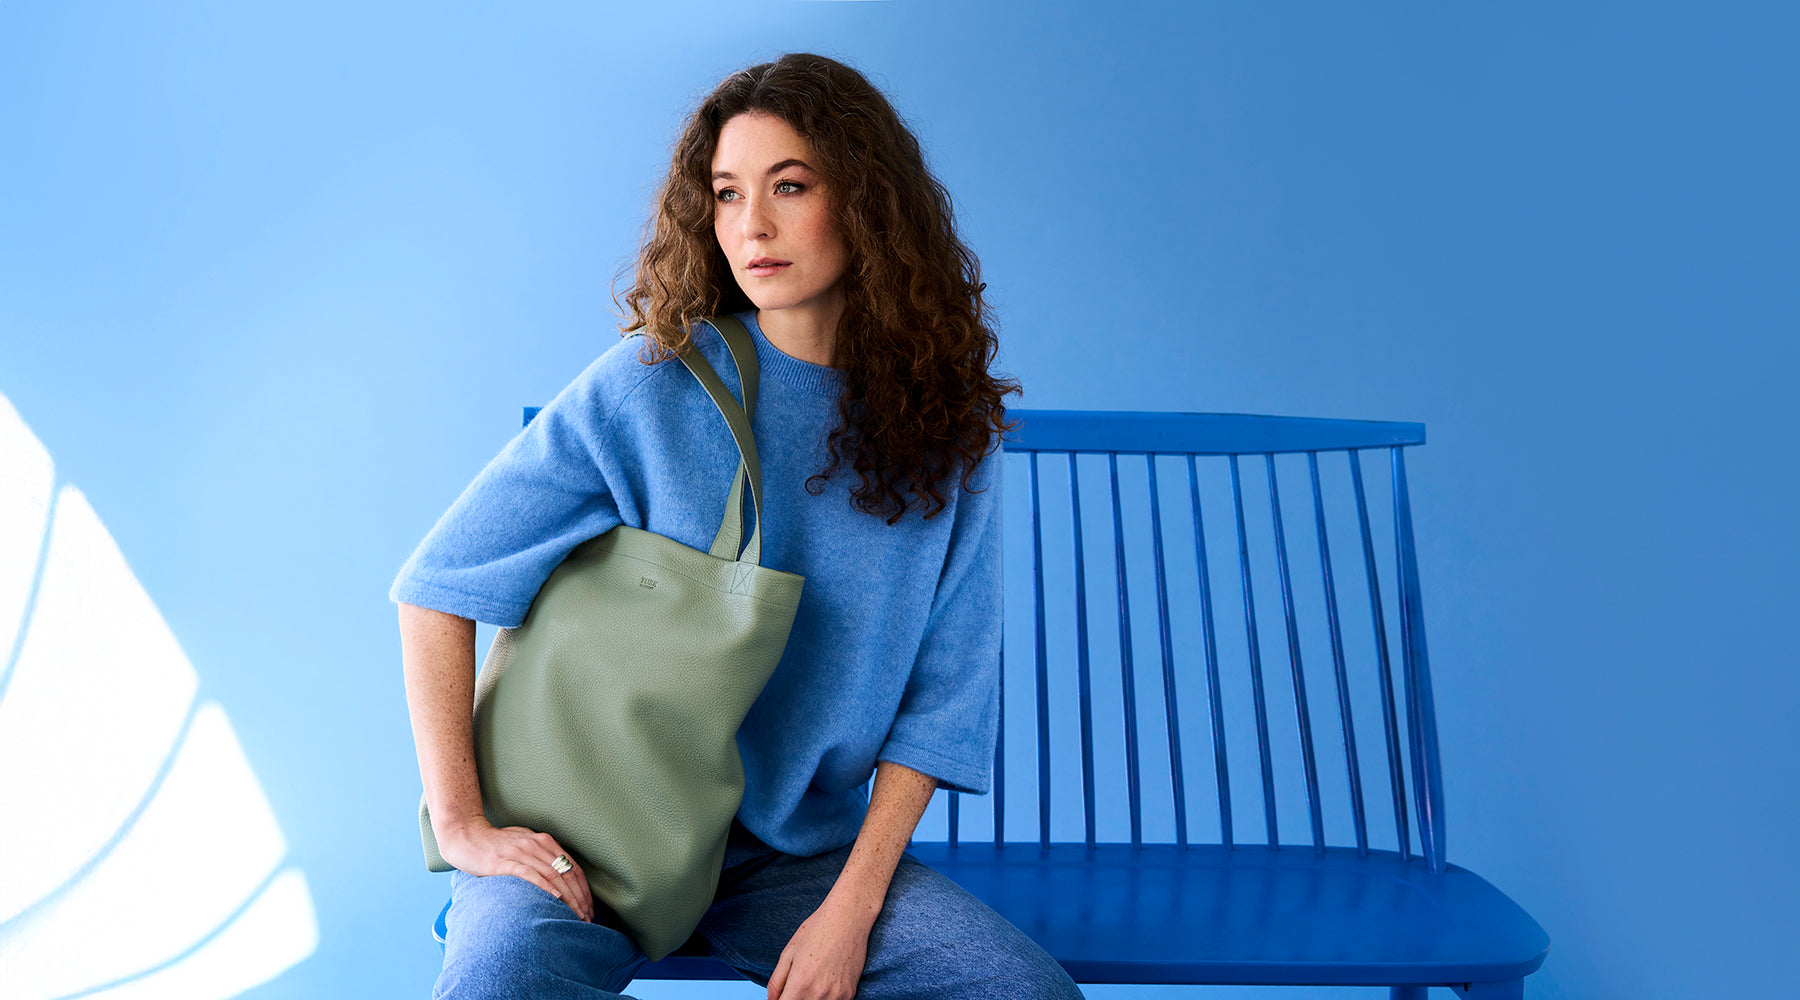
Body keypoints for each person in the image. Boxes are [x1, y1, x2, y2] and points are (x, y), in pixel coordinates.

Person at [393, 52, 1084, 1000]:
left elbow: (942, 705)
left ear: (867, 205)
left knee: (1023, 993)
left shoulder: (948, 431)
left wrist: (849, 910)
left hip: (794, 859)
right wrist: (463, 822)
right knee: (499, 980)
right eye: (725, 194)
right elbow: (437, 585)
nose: (750, 226)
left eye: (788, 186)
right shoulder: (654, 383)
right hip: (592, 834)